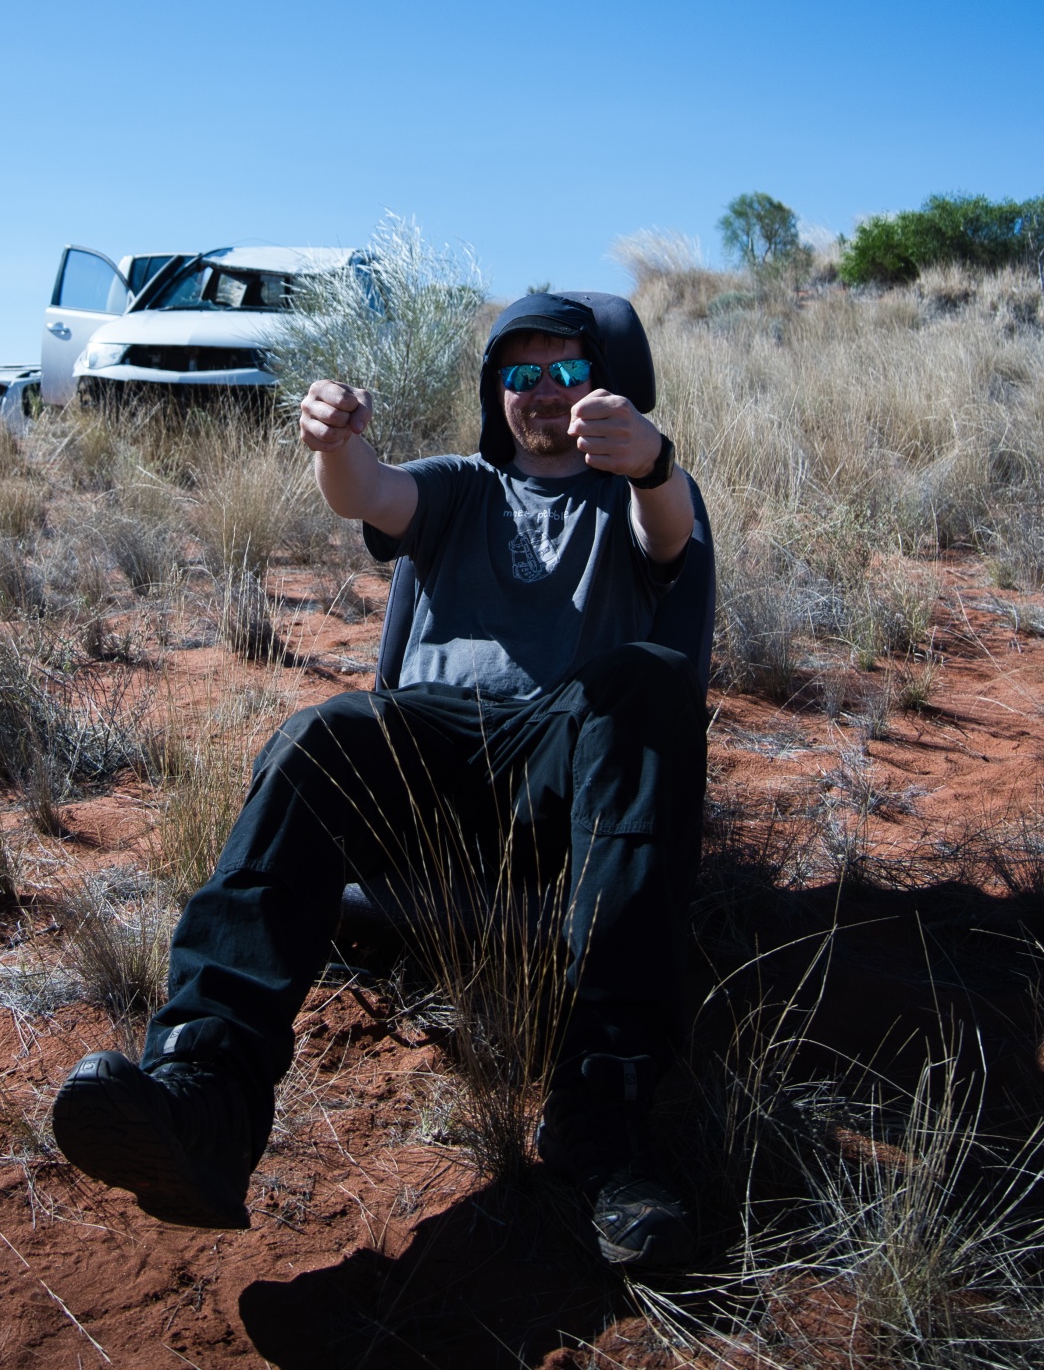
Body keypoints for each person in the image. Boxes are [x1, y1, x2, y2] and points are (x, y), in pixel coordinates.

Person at [53, 292, 708, 1269]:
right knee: (321, 732)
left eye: (566, 371)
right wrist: (334, 439)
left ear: (607, 380)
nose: (540, 393)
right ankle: (206, 1092)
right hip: (433, 753)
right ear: (496, 392)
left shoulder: (641, 491)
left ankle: (603, 1117)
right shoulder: (459, 487)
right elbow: (369, 492)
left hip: (566, 767)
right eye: (518, 374)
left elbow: (671, 535)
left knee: (645, 683)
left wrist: (650, 460)